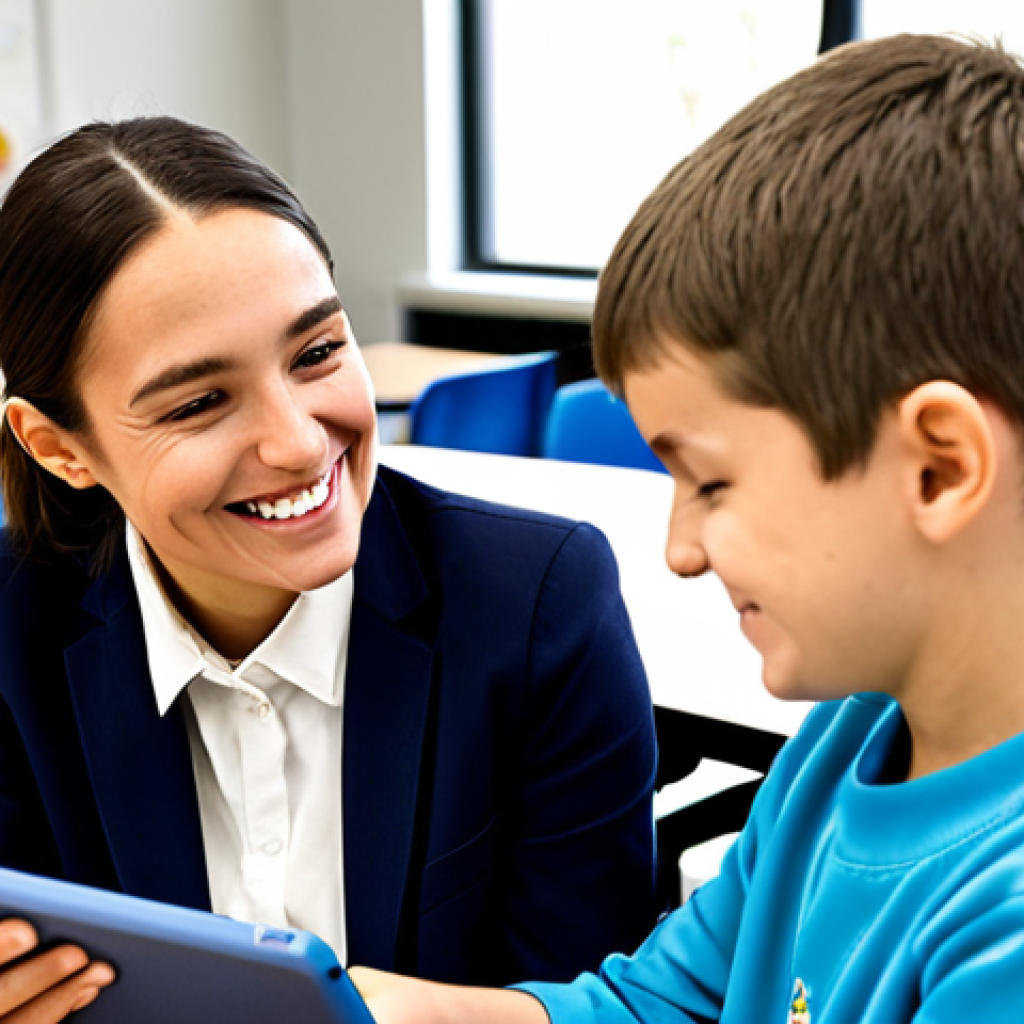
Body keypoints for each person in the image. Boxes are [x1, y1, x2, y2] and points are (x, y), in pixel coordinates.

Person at [350, 33, 1024, 1024]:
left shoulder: (1003, 922)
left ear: (938, 466)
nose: (680, 549)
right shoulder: (847, 741)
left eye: (709, 482)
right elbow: (658, 1004)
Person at [0, 117, 658, 1020]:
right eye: (199, 402)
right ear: (60, 447)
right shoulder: (11, 630)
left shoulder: (538, 608)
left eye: (316, 352)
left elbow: (593, 1001)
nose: (301, 443)